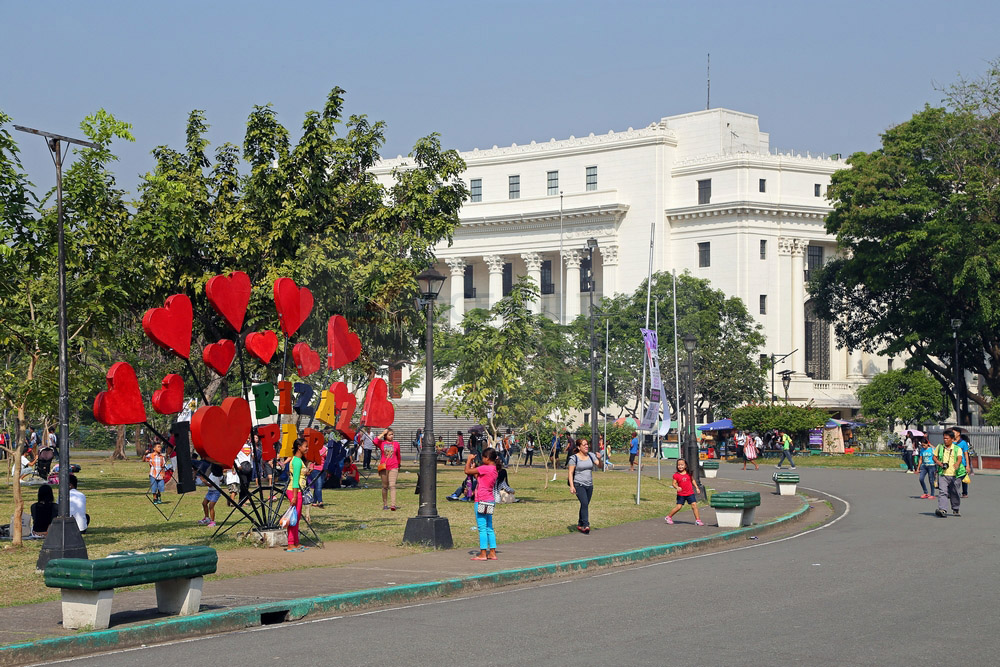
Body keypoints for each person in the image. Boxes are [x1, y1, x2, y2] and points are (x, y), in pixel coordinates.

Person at [466, 446, 500, 561]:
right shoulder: (494, 469)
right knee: (489, 527)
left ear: (487, 458)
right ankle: (492, 553)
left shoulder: (485, 468)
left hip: (481, 500)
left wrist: (469, 460)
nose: (482, 459)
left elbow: (467, 471)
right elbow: (480, 479)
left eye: (483, 457)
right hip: (490, 500)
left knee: (482, 528)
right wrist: (474, 469)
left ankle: (483, 553)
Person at [567, 438, 599, 534]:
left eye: (587, 444)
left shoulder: (591, 455)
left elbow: (599, 465)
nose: (586, 446)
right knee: (584, 503)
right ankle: (586, 525)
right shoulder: (574, 458)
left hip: (589, 485)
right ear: (579, 447)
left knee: (585, 504)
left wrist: (600, 458)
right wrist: (572, 486)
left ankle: (580, 523)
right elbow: (570, 473)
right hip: (579, 484)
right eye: (584, 445)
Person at [933, 430, 965, 517]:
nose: (945, 440)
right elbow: (934, 457)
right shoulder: (940, 447)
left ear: (952, 439)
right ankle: (942, 509)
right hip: (943, 474)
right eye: (944, 438)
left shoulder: (957, 449)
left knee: (954, 492)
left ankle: (955, 508)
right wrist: (939, 463)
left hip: (955, 475)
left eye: (947, 438)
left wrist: (957, 464)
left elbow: (959, 458)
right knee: (942, 492)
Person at [664, 459, 703, 525]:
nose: (680, 466)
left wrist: (696, 487)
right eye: (679, 465)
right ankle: (669, 517)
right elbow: (673, 484)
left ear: (685, 465)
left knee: (694, 505)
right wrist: (677, 487)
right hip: (681, 494)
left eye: (682, 465)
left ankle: (698, 520)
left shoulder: (689, 474)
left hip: (690, 493)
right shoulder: (676, 475)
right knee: (679, 507)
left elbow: (692, 480)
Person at [284, 439, 307, 551]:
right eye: (305, 446)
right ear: (299, 447)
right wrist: (294, 496)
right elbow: (295, 480)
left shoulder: (298, 460)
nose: (307, 448)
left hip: (297, 491)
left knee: (296, 518)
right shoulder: (297, 461)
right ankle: (290, 544)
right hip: (294, 491)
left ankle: (296, 542)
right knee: (293, 518)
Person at [374, 428, 402, 511]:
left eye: (392, 434)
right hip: (384, 467)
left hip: (394, 466)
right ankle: (385, 504)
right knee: (385, 486)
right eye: (390, 434)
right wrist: (383, 433)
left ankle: (393, 504)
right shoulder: (382, 443)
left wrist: (399, 465)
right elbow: (375, 441)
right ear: (386, 436)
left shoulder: (396, 444)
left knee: (392, 486)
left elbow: (398, 455)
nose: (392, 436)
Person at [308, 438, 327, 508]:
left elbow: (327, 459)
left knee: (318, 486)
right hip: (315, 469)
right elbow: (311, 460)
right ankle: (320, 501)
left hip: (323, 469)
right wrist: (311, 467)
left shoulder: (325, 449)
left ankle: (314, 501)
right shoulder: (313, 449)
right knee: (318, 485)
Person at [954, 430, 972, 497]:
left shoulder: (963, 443)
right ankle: (953, 492)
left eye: (954, 432)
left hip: (962, 463)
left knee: (963, 479)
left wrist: (967, 465)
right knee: (953, 478)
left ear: (958, 433)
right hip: (953, 463)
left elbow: (966, 454)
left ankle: (965, 492)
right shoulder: (951, 442)